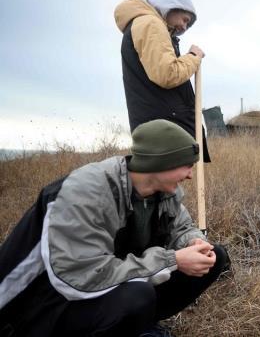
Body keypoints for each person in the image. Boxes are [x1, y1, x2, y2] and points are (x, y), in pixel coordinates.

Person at [0, 119, 229, 336]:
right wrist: (172, 260)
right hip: (37, 306)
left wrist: (193, 242)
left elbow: (182, 226)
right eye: (187, 165)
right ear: (161, 162)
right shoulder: (86, 193)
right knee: (138, 296)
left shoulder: (162, 192)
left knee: (215, 256)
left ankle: (141, 325)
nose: (191, 175)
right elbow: (80, 277)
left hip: (99, 285)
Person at [114, 0, 211, 162]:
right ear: (171, 6)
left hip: (158, 127)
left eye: (187, 24)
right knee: (164, 184)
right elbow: (168, 73)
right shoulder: (150, 24)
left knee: (163, 187)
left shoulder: (144, 24)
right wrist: (193, 57)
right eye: (184, 19)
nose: (184, 26)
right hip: (163, 129)